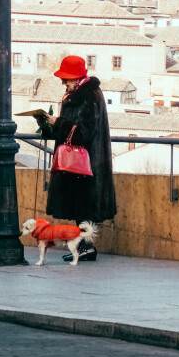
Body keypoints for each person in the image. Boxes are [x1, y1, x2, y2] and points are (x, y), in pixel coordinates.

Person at [35, 55, 116, 261]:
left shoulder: (90, 96)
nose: (63, 82)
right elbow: (71, 129)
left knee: (84, 205)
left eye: (66, 78)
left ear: (76, 77)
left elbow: (84, 132)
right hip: (80, 162)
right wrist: (48, 126)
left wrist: (58, 123)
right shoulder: (79, 93)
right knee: (81, 206)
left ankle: (86, 248)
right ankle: (84, 248)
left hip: (87, 162)